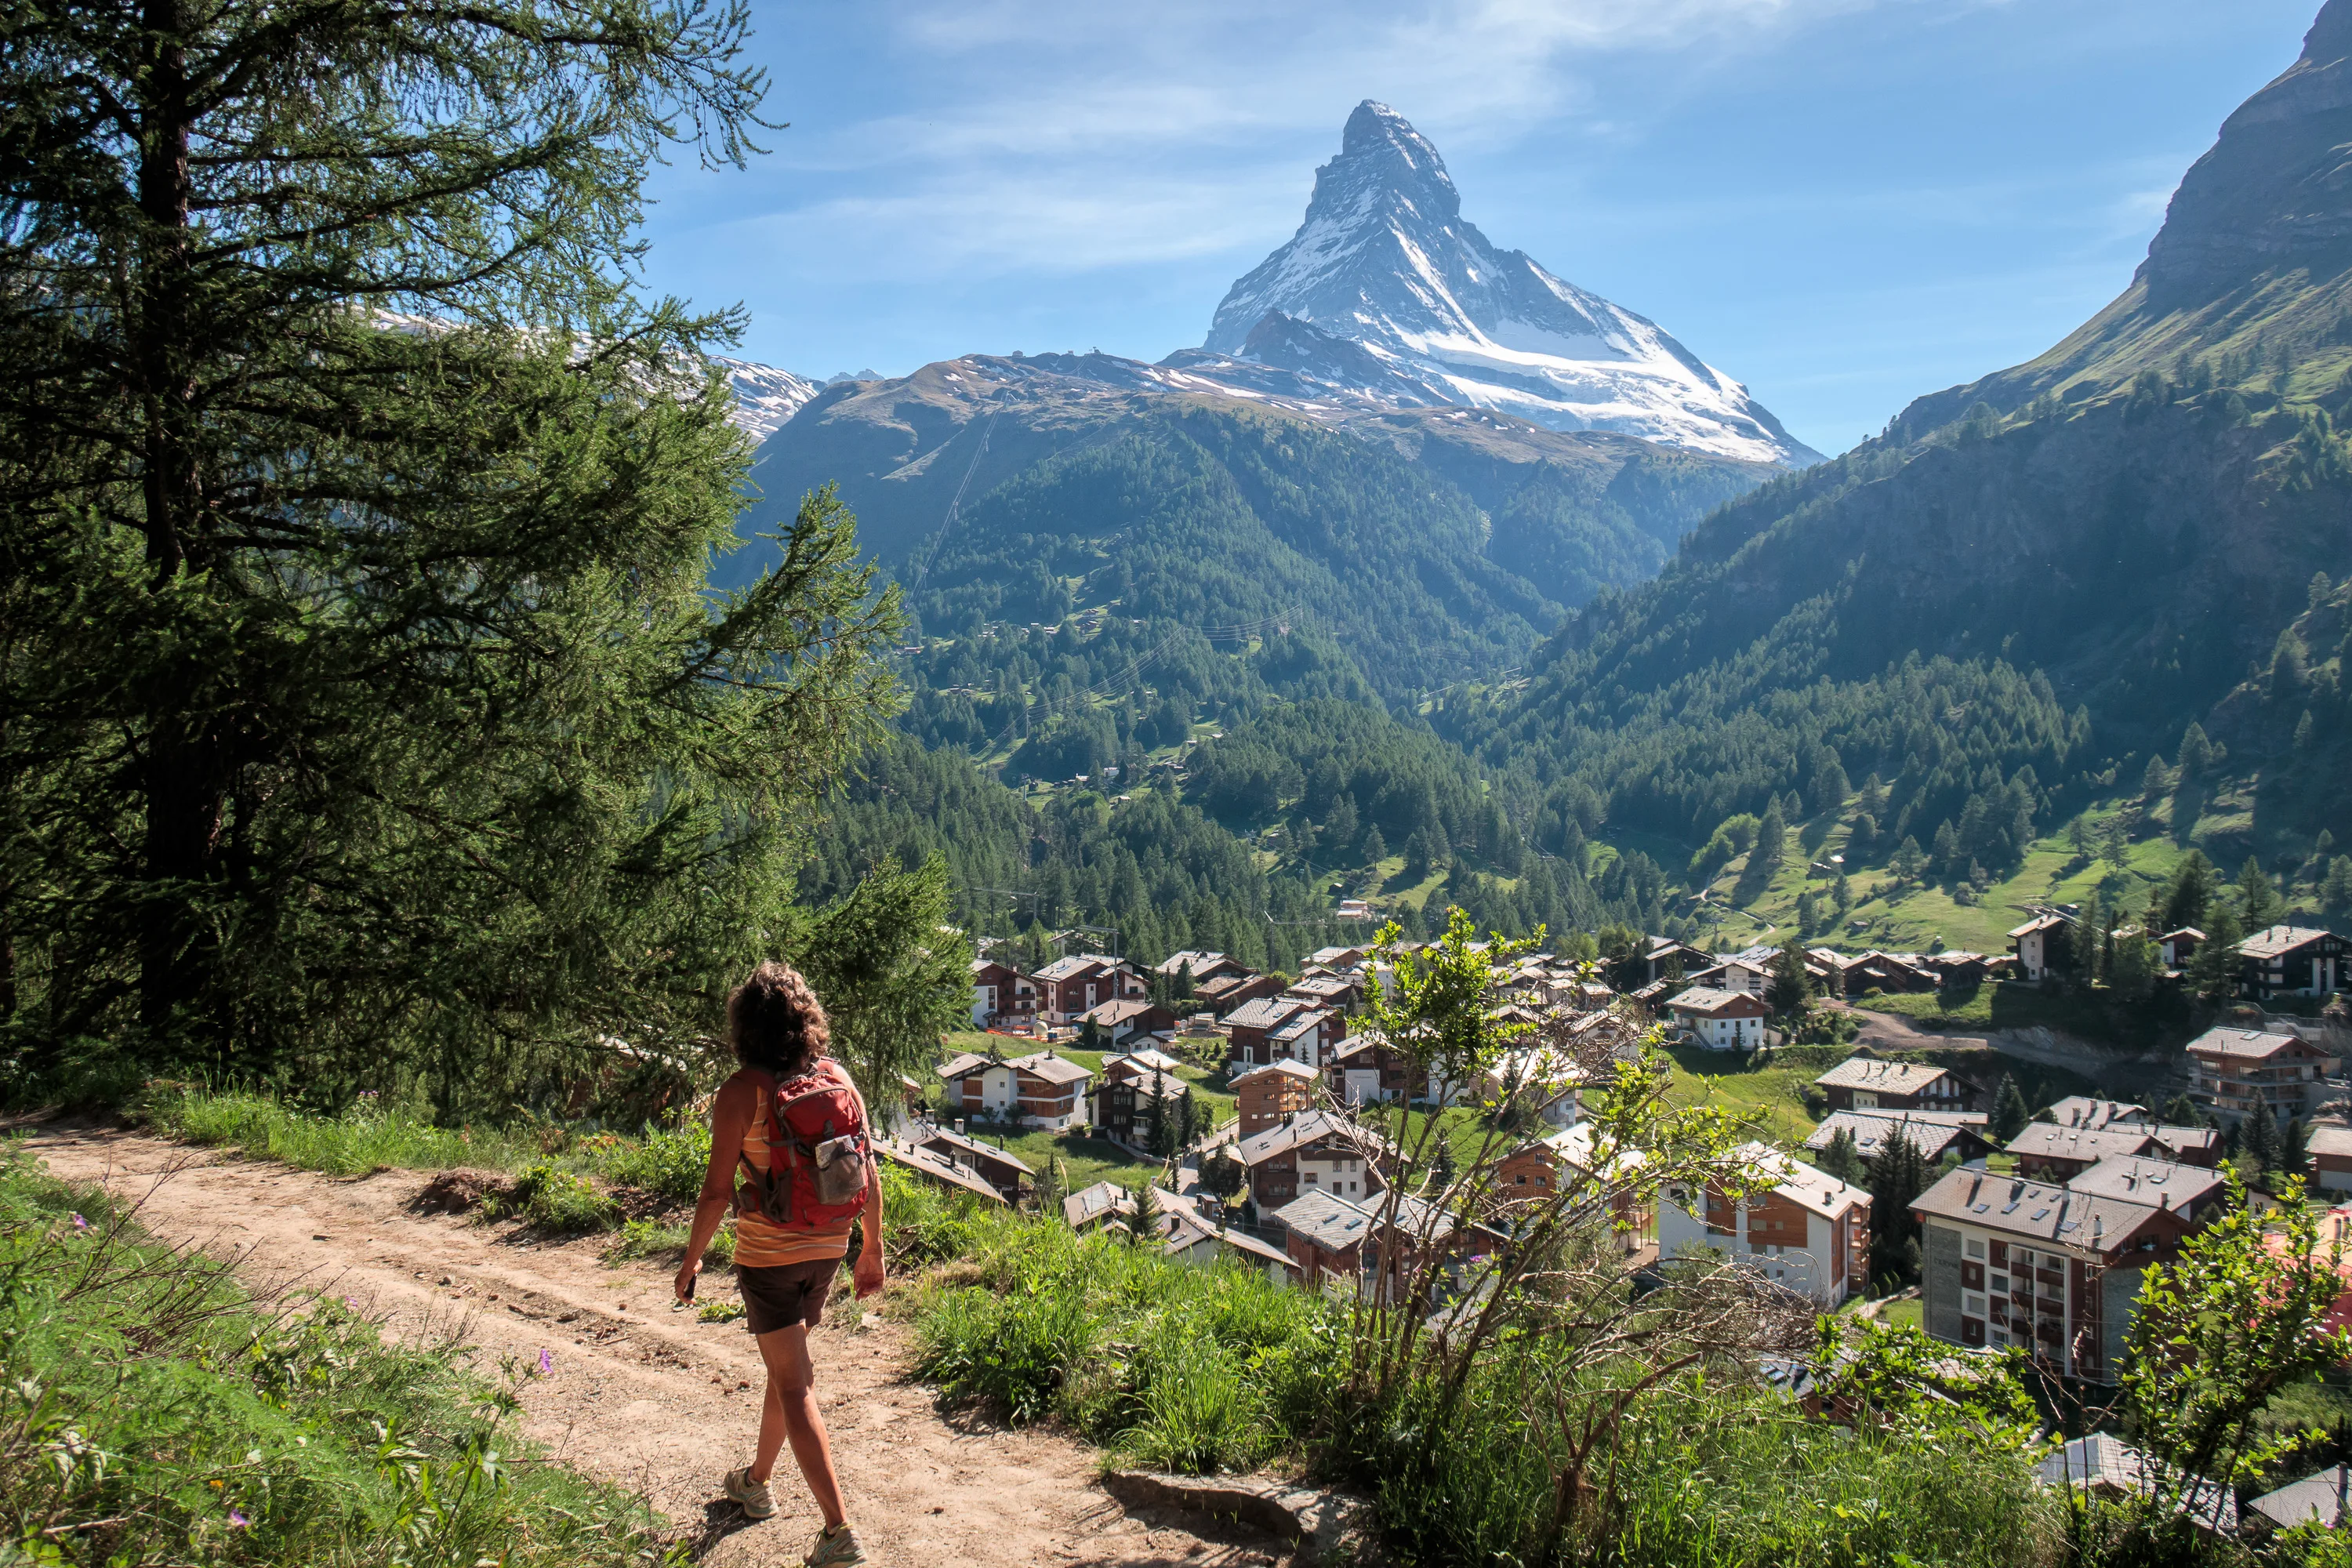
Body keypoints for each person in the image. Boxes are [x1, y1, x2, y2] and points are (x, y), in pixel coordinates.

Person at [677, 960, 884, 1568]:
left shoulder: (743, 1092)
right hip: (827, 1246)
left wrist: (690, 1263)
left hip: (769, 1257)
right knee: (786, 1368)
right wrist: (870, 1250)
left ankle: (838, 1532)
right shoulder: (837, 1078)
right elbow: (867, 1173)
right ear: (805, 1021)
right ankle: (757, 1482)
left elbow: (717, 1192)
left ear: (745, 1026)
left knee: (795, 1383)